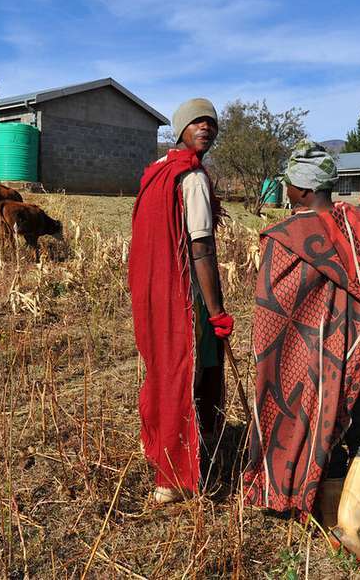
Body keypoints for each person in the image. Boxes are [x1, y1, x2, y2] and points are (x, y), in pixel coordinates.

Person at [243, 141, 360, 572]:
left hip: (315, 364)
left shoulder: (286, 238)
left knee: (328, 430)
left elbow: (272, 312)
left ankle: (329, 516)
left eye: (289, 184)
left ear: (303, 191)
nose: (286, 190)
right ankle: (346, 522)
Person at [128, 98, 233, 504]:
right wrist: (217, 312)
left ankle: (184, 447)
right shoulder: (190, 178)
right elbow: (201, 248)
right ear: (181, 130)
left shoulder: (156, 172)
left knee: (163, 371)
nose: (205, 127)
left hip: (152, 292)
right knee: (186, 371)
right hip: (183, 297)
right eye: (196, 122)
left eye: (211, 122)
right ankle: (174, 475)